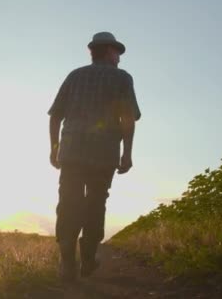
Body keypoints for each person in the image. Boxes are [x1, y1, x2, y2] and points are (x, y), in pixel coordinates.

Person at [48, 32, 141, 282]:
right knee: (96, 204)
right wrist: (127, 153)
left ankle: (67, 263)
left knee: (68, 204)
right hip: (104, 153)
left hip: (72, 152)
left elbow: (55, 115)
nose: (119, 58)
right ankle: (87, 260)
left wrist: (54, 147)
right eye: (117, 53)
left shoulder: (75, 75)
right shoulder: (122, 78)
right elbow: (128, 118)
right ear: (109, 51)